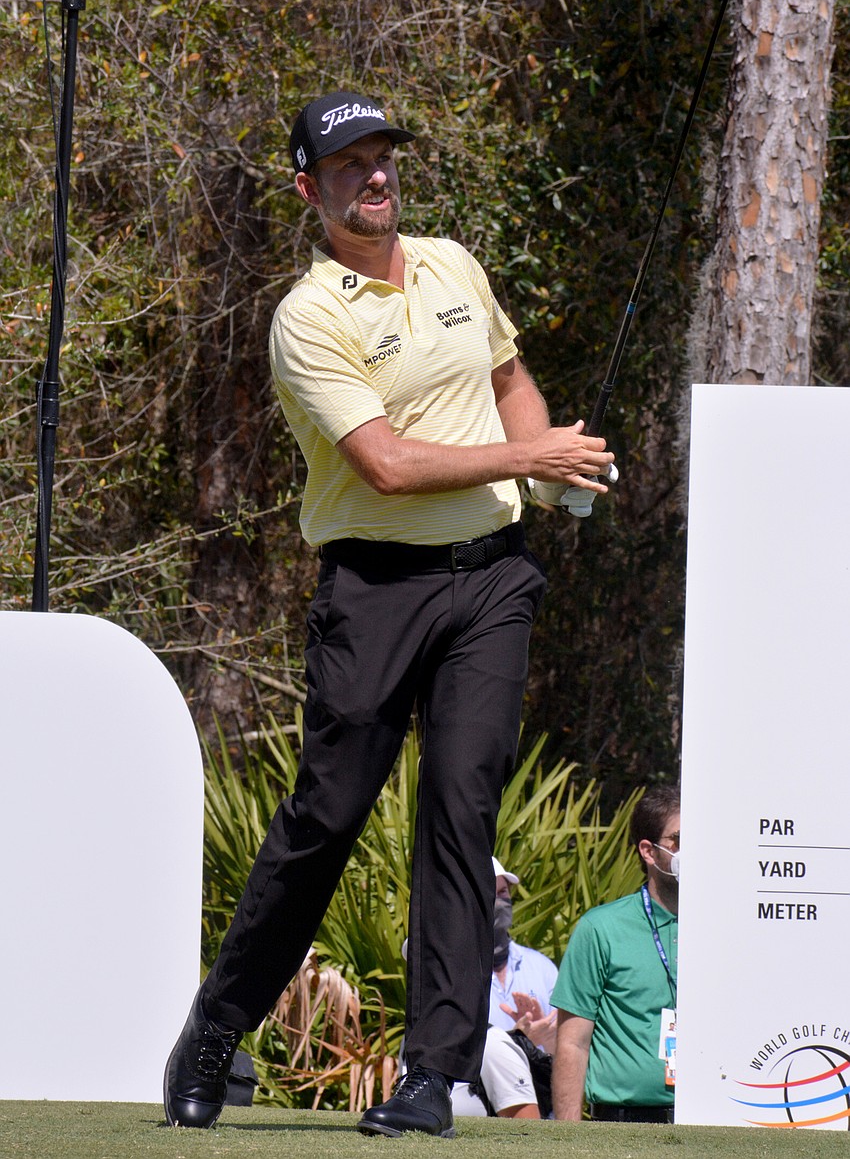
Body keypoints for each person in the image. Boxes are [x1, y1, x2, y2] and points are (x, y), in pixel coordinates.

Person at [163, 90, 615, 1137]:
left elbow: (510, 382)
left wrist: (554, 471)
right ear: (309, 189)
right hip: (375, 588)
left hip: (492, 580)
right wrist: (528, 458)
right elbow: (386, 463)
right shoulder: (308, 317)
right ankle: (217, 1028)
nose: (375, 176)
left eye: (384, 158)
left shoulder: (454, 262)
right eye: (351, 163)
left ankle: (433, 1078)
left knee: (462, 812)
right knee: (325, 819)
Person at [550, 785, 680, 1124]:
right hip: (622, 1122)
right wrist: (568, 1143)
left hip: (710, 1121)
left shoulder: (726, 931)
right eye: (678, 841)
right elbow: (573, 1044)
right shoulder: (601, 929)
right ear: (649, 852)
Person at [450, 856, 558, 1120]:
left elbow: (566, 1051)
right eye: (491, 895)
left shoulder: (542, 968)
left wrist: (547, 1037)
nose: (500, 903)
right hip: (472, 1111)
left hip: (539, 1109)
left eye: (503, 893)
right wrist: (521, 1040)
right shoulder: (453, 975)